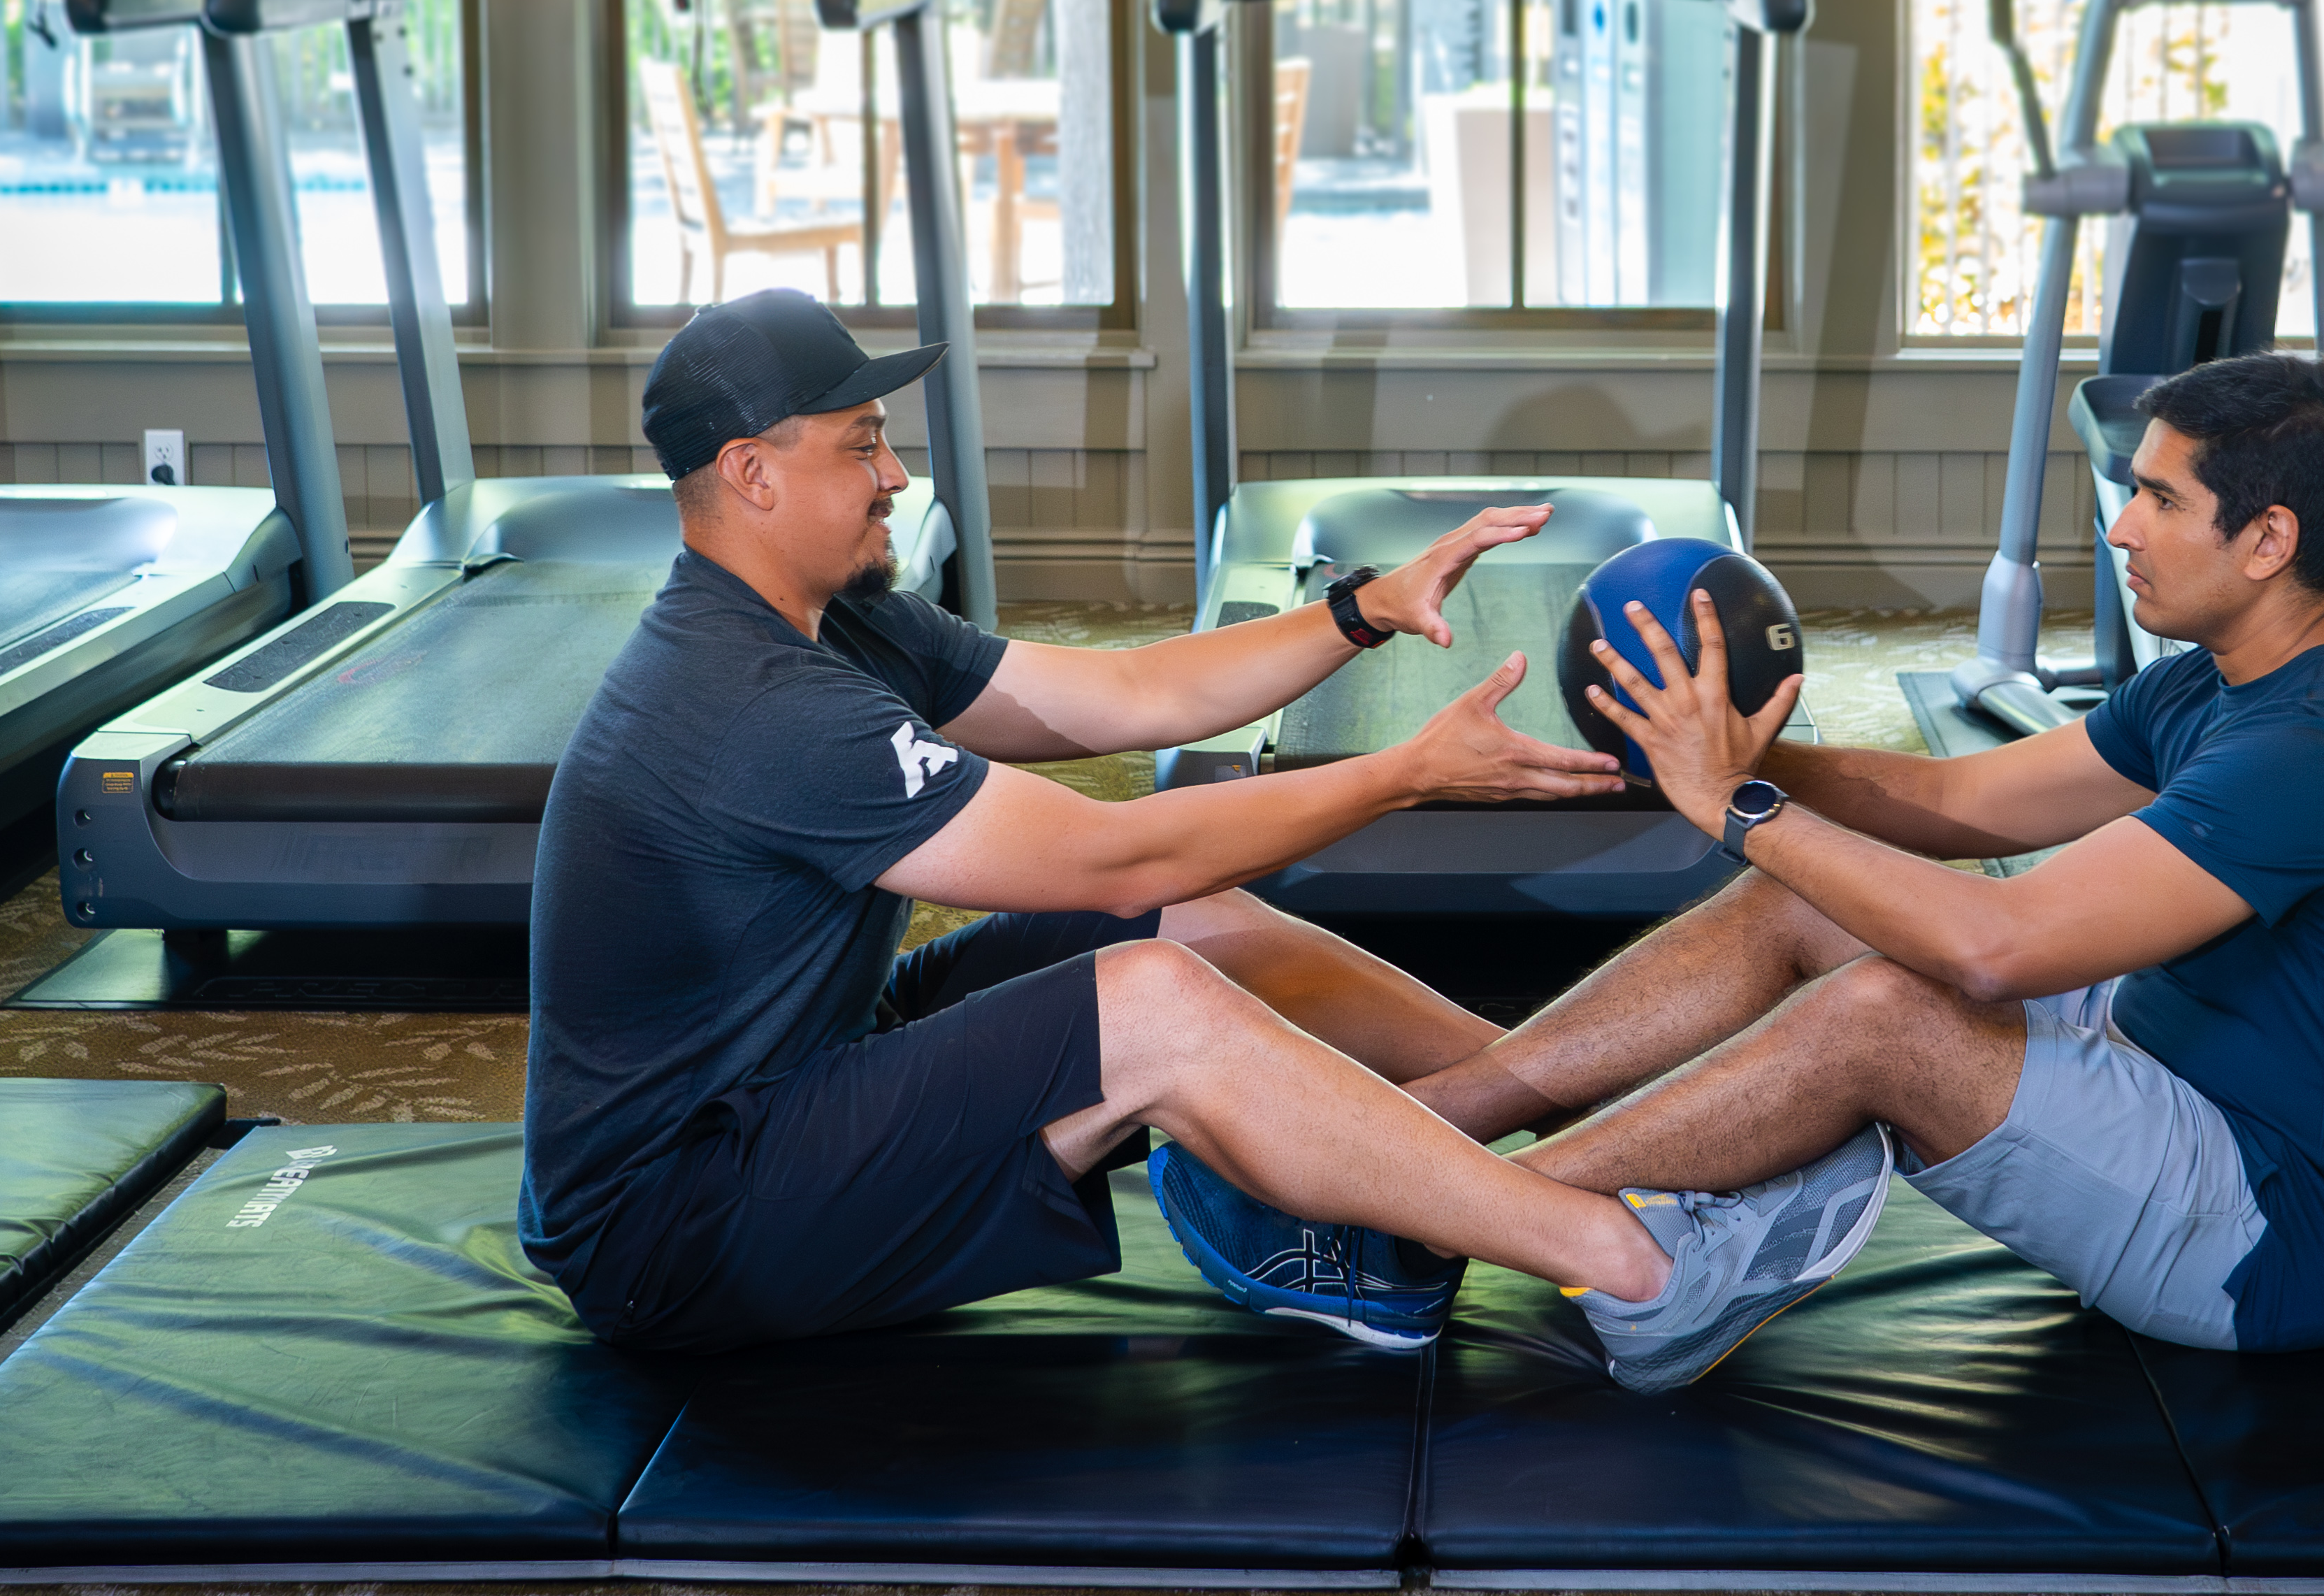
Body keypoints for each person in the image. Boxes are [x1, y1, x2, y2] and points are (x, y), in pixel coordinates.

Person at [517, 289, 1894, 1389]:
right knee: (1155, 994)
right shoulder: (744, 699)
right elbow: (1116, 853)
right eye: (858, 443)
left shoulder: (843, 619)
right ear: (749, 473)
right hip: (677, 1222)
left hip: (804, 1077)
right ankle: (1635, 1268)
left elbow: (1128, 694)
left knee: (1206, 930)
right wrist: (1404, 773)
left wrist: (1362, 607)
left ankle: (1561, 1129)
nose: (893, 473)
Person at [1363, 352, 2324, 1368]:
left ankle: (1432, 1213)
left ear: (2268, 539)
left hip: (2289, 1241)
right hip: (2196, 1072)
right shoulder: (2235, 671)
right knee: (1801, 901)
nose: (2121, 528)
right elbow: (1959, 799)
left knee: (1888, 1011)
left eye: (2161, 499)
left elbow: (1997, 950)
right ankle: (1424, 1119)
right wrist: (1714, 748)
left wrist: (1736, 799)